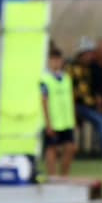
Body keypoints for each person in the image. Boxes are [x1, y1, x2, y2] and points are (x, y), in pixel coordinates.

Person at [41, 46, 78, 177]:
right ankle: (52, 176)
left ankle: (64, 176)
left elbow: (70, 100)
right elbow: (43, 101)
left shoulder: (66, 78)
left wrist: (73, 119)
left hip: (66, 120)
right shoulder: (44, 79)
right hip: (53, 120)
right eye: (53, 60)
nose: (56, 62)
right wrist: (48, 123)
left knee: (70, 147)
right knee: (52, 148)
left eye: (58, 59)